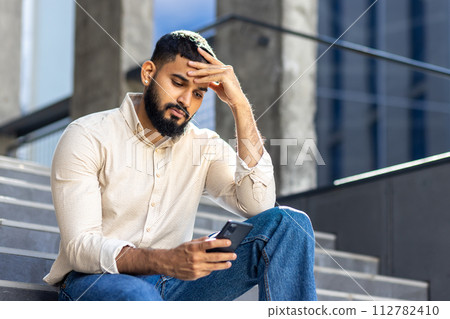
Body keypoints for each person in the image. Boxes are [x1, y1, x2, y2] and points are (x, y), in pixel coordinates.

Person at [44, 30, 317, 301]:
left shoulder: (204, 146)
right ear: (148, 73)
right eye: (177, 83)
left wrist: (239, 104)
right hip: (97, 281)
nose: (186, 101)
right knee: (136, 295)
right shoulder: (88, 135)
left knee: (290, 224)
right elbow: (80, 248)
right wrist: (165, 260)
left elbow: (258, 207)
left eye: (198, 93)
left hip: (175, 284)